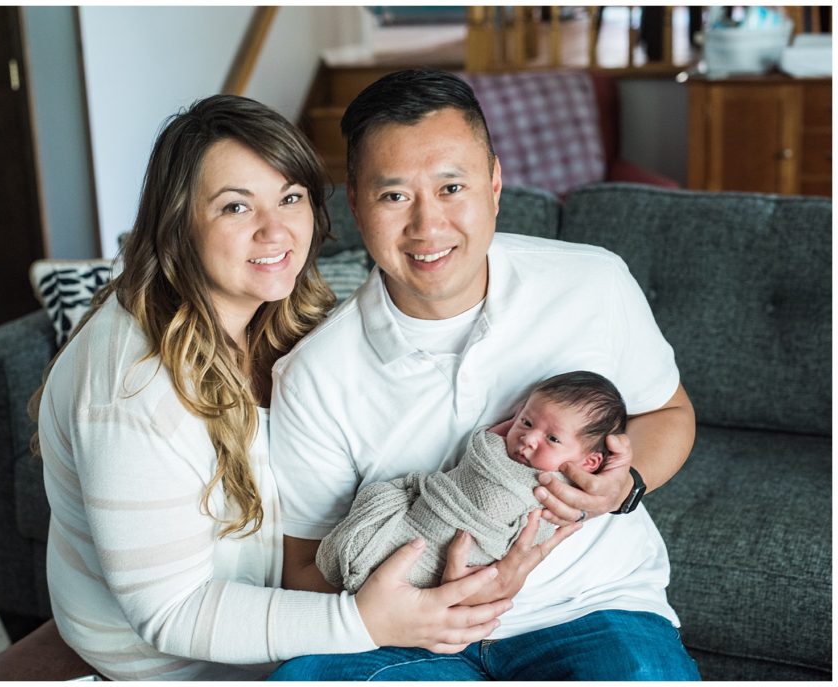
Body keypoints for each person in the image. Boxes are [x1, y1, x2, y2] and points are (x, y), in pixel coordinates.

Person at [29, 93, 543, 681]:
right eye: (235, 207)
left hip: (288, 612)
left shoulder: (281, 320)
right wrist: (367, 622)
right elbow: (170, 612)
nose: (275, 231)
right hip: (177, 660)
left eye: (290, 197)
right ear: (178, 223)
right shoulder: (132, 382)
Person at [268, 69, 700, 680]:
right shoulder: (312, 374)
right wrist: (409, 613)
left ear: (494, 184)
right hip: (408, 636)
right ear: (356, 204)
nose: (428, 226)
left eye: (452, 187)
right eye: (394, 196)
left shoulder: (593, 282)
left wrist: (623, 487)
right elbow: (304, 569)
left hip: (591, 607)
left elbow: (670, 412)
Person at [317, 371, 625, 593]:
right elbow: (482, 450)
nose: (529, 439)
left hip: (475, 567)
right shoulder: (493, 450)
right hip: (423, 519)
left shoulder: (558, 494)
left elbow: (534, 534)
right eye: (526, 422)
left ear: (588, 463)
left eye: (553, 438)